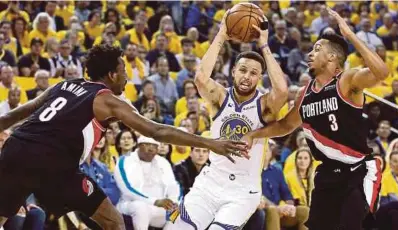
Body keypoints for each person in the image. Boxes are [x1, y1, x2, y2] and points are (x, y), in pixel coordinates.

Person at [0, 44, 248, 230]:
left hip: (15, 148)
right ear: (110, 75)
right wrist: (209, 143)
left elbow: (21, 112)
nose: (128, 76)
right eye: (123, 70)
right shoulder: (107, 100)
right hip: (52, 161)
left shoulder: (63, 85)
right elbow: (156, 131)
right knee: (114, 223)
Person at [243, 8, 388, 230]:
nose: (310, 54)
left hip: (357, 170)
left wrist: (350, 35)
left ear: (332, 57)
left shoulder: (347, 81)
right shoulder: (304, 94)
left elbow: (382, 73)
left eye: (317, 49)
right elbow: (284, 126)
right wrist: (254, 134)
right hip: (327, 174)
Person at [170, 12, 288, 230]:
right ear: (233, 71)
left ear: (260, 78)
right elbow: (200, 78)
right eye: (242, 70)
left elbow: (281, 90)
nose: (247, 76)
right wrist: (222, 34)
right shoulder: (220, 97)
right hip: (210, 181)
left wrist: (264, 44)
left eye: (254, 73)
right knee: (176, 227)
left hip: (243, 191)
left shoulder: (264, 106)